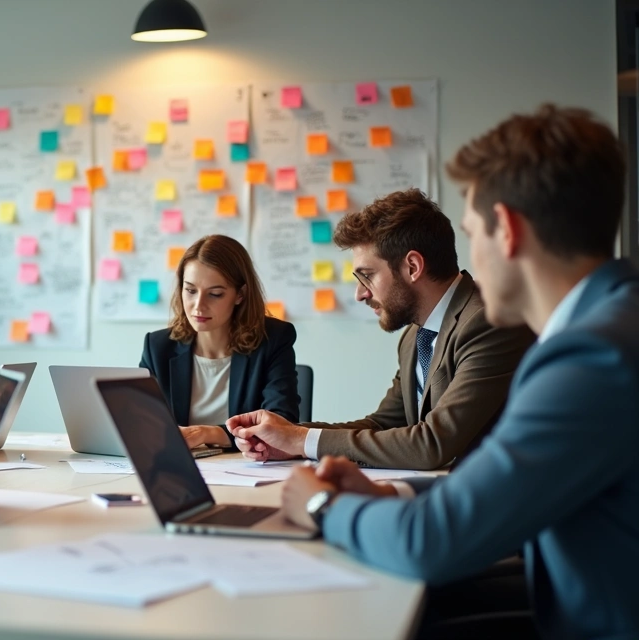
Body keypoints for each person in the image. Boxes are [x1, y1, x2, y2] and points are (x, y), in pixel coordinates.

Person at [278, 105, 639, 639]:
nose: (468, 259)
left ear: (509, 232)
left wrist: (320, 505)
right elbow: (507, 482)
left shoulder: (592, 358)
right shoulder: (610, 324)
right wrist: (394, 495)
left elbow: (433, 542)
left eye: (472, 232)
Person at [230, 189, 534, 470]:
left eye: (367, 276)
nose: (360, 294)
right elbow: (383, 425)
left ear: (413, 267)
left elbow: (432, 445)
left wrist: (300, 440)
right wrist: (288, 437)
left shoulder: (489, 322)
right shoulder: (416, 336)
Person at [139, 234, 300, 450]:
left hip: (245, 470)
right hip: (177, 467)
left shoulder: (274, 339)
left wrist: (206, 433)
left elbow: (281, 424)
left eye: (215, 294)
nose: (198, 305)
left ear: (240, 295)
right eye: (190, 290)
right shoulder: (158, 346)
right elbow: (140, 421)